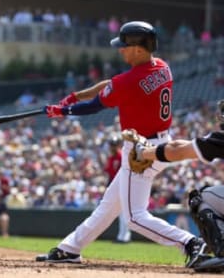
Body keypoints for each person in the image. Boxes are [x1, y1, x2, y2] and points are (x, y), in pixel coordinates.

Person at [35, 21, 206, 268]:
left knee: (134, 217)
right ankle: (69, 249)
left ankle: (191, 243)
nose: (120, 50)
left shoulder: (128, 81)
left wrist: (63, 110)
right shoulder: (162, 67)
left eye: (124, 46)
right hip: (159, 143)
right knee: (109, 205)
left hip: (141, 150)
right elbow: (110, 84)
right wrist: (75, 97)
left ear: (138, 49)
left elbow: (95, 105)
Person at [135, 100, 224, 163]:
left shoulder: (220, 139)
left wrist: (142, 153)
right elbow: (183, 146)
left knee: (206, 190)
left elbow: (178, 152)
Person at [105, 136, 131, 244]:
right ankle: (122, 236)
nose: (112, 147)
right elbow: (109, 174)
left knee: (124, 214)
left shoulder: (121, 156)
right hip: (115, 185)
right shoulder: (111, 158)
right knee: (121, 213)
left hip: (123, 185)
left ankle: (125, 237)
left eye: (113, 145)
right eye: (111, 145)